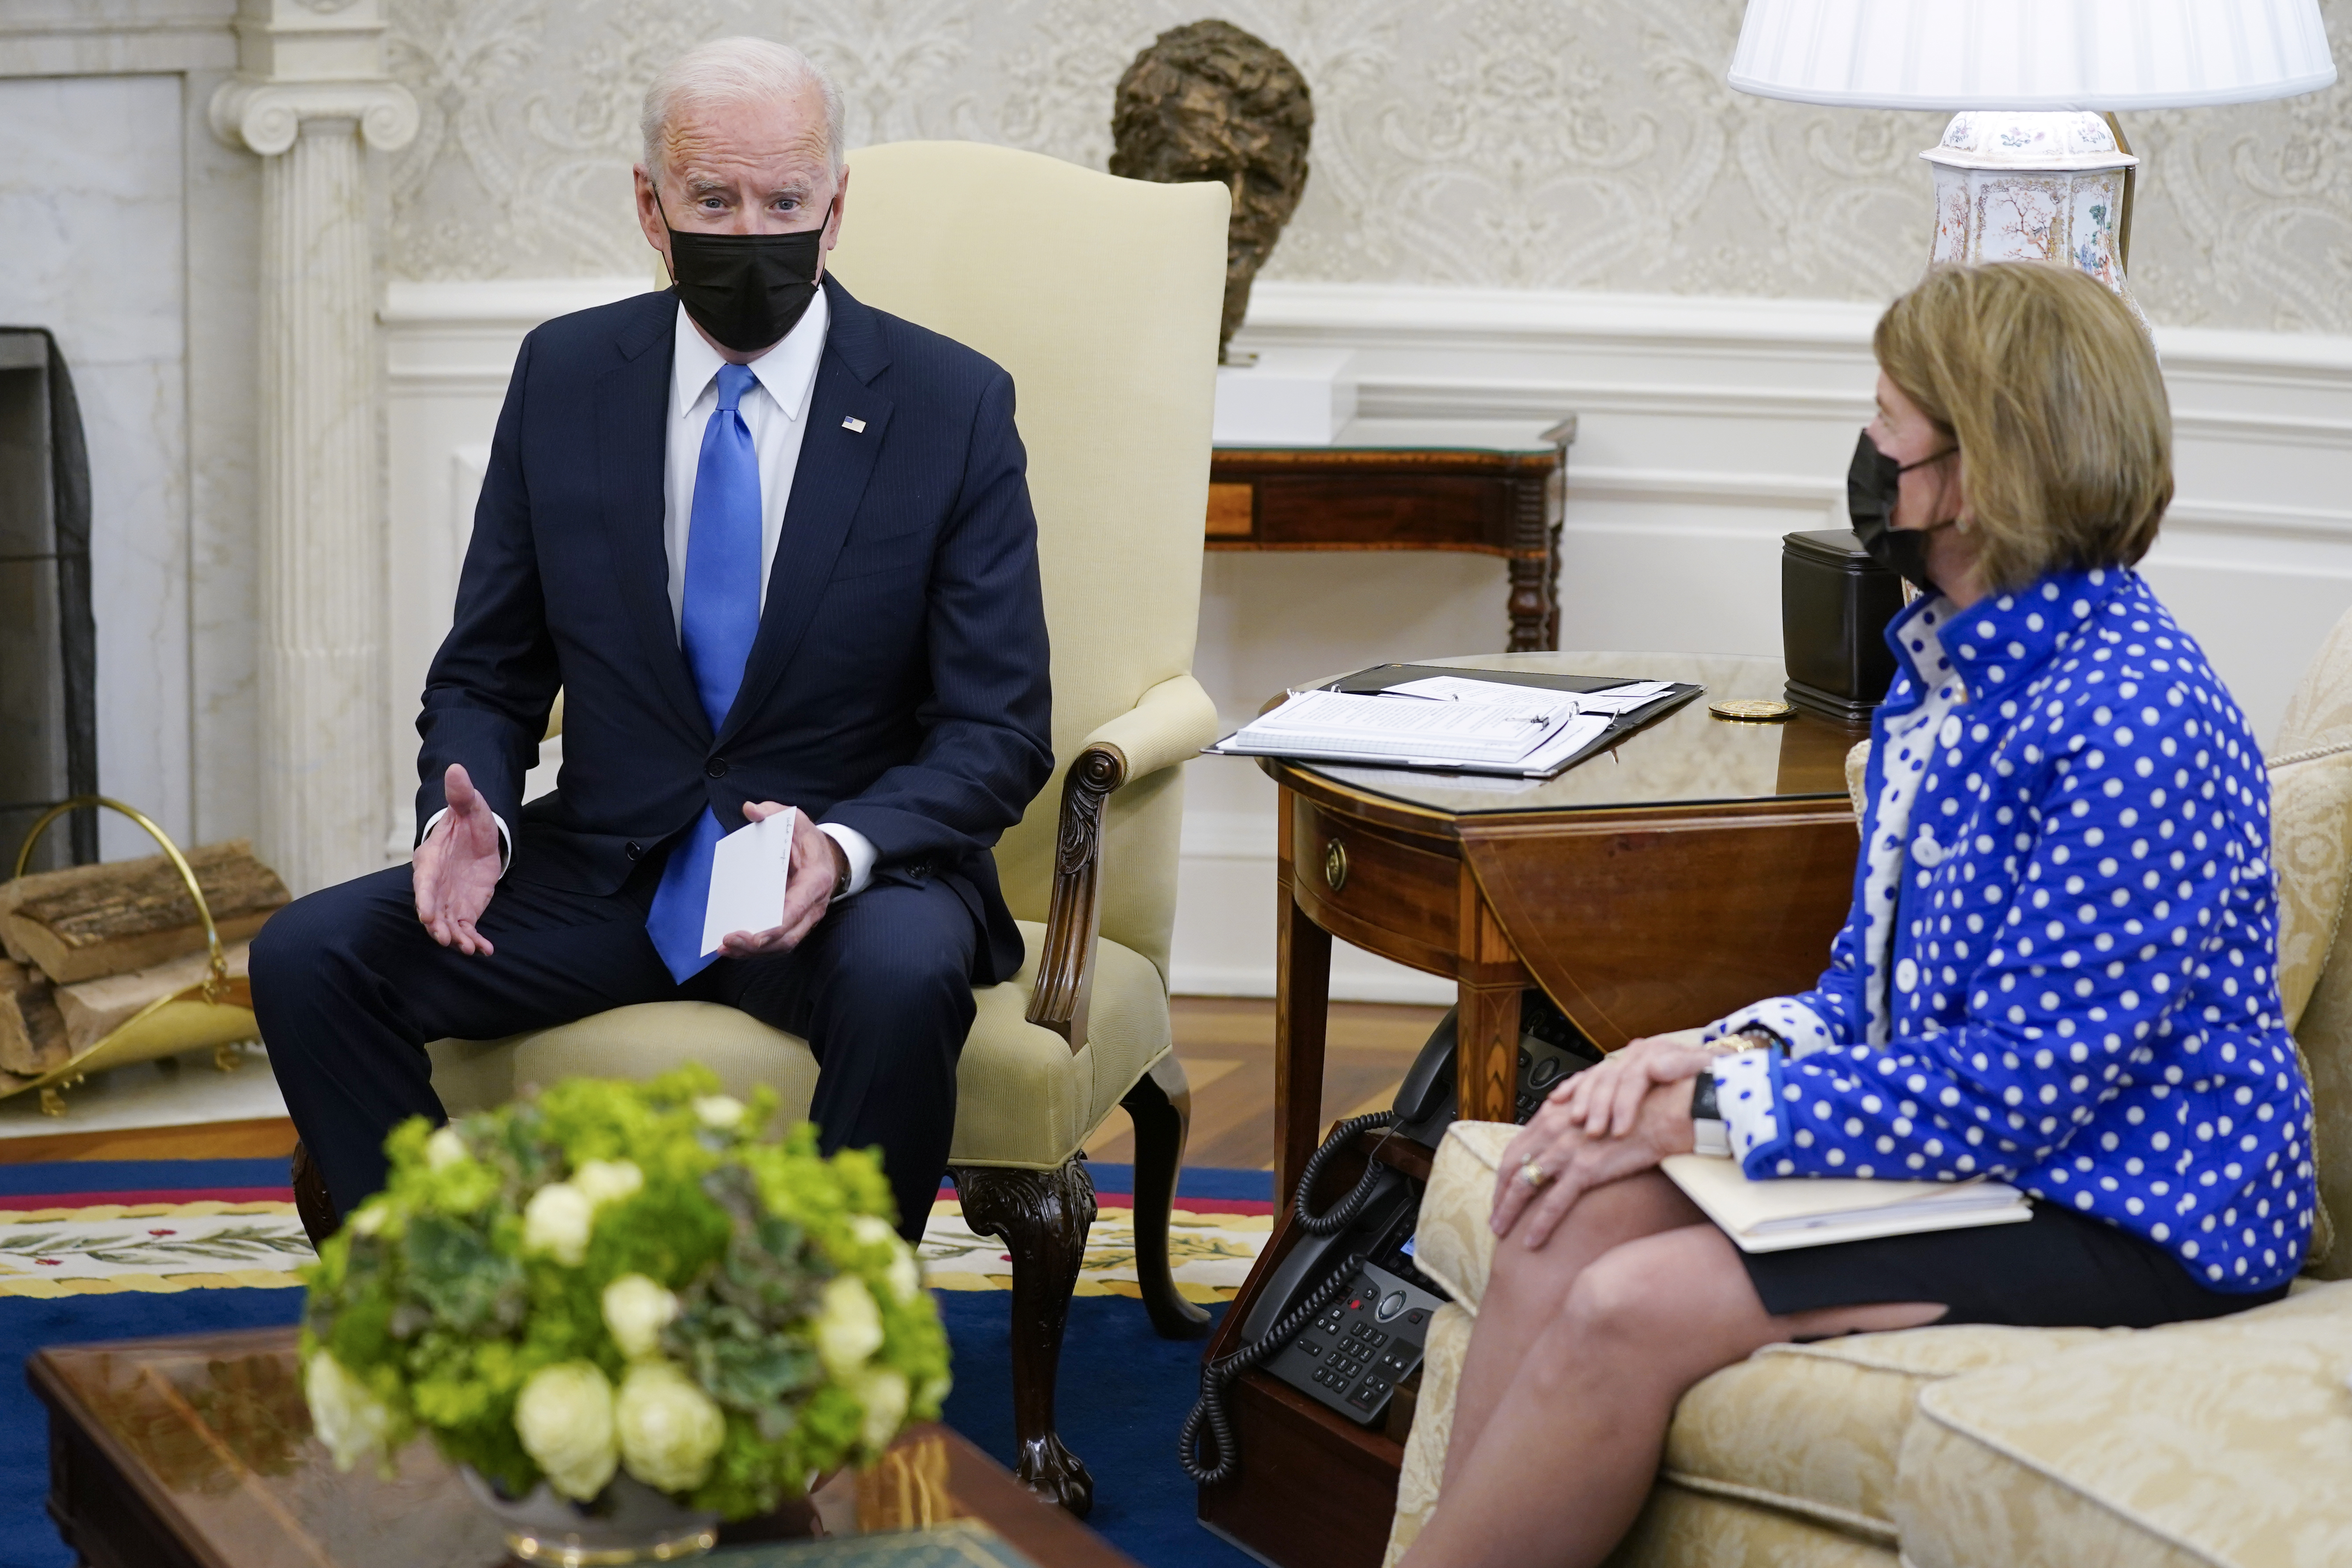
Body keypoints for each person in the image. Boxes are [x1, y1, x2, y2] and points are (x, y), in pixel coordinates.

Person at [1398, 261, 2320, 1568]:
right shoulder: (1949, 662)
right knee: (1561, 1202)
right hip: (2000, 1156)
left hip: (2132, 1212)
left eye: (1889, 415)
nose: (1867, 444)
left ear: (1979, 473)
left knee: (1631, 1304)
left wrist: (1708, 1116)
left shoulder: (2132, 723)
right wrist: (1705, 1058)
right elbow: (1861, 998)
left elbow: (2018, 1093)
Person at [249, 37, 1052, 1243]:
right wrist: (464, 820)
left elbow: (998, 729)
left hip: (834, 880)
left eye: (785, 201)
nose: (751, 230)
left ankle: (820, 1362)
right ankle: (450, 1319)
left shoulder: (950, 406)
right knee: (308, 956)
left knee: (905, 976)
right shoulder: (568, 377)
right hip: (610, 870)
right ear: (649, 203)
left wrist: (839, 847)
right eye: (712, 199)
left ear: (837, 208)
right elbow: (489, 667)